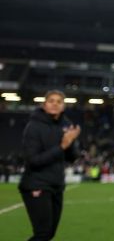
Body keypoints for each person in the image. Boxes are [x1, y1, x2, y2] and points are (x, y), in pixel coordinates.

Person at [19, 89, 81, 241]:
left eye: (59, 101)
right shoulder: (33, 127)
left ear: (64, 106)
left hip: (56, 185)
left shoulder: (66, 125)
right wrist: (62, 146)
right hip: (36, 184)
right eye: (51, 101)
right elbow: (33, 161)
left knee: (49, 234)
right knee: (43, 234)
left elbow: (72, 158)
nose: (55, 104)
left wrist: (71, 142)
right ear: (44, 104)